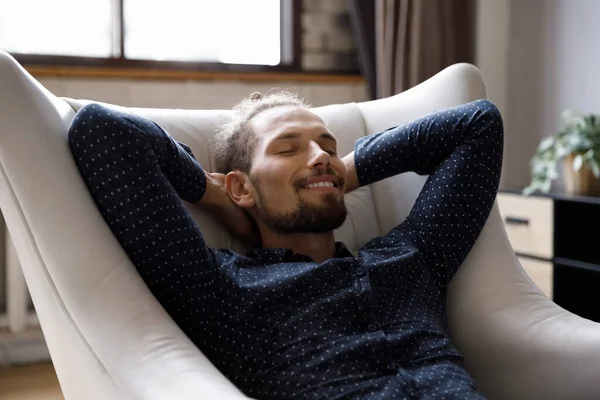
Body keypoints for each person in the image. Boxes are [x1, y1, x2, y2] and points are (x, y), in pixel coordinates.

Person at [67, 90, 503, 399]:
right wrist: (218, 197)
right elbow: (104, 130)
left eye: (327, 146)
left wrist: (332, 174)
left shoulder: (411, 258)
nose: (319, 154)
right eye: (287, 149)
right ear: (241, 186)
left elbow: (479, 123)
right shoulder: (219, 289)